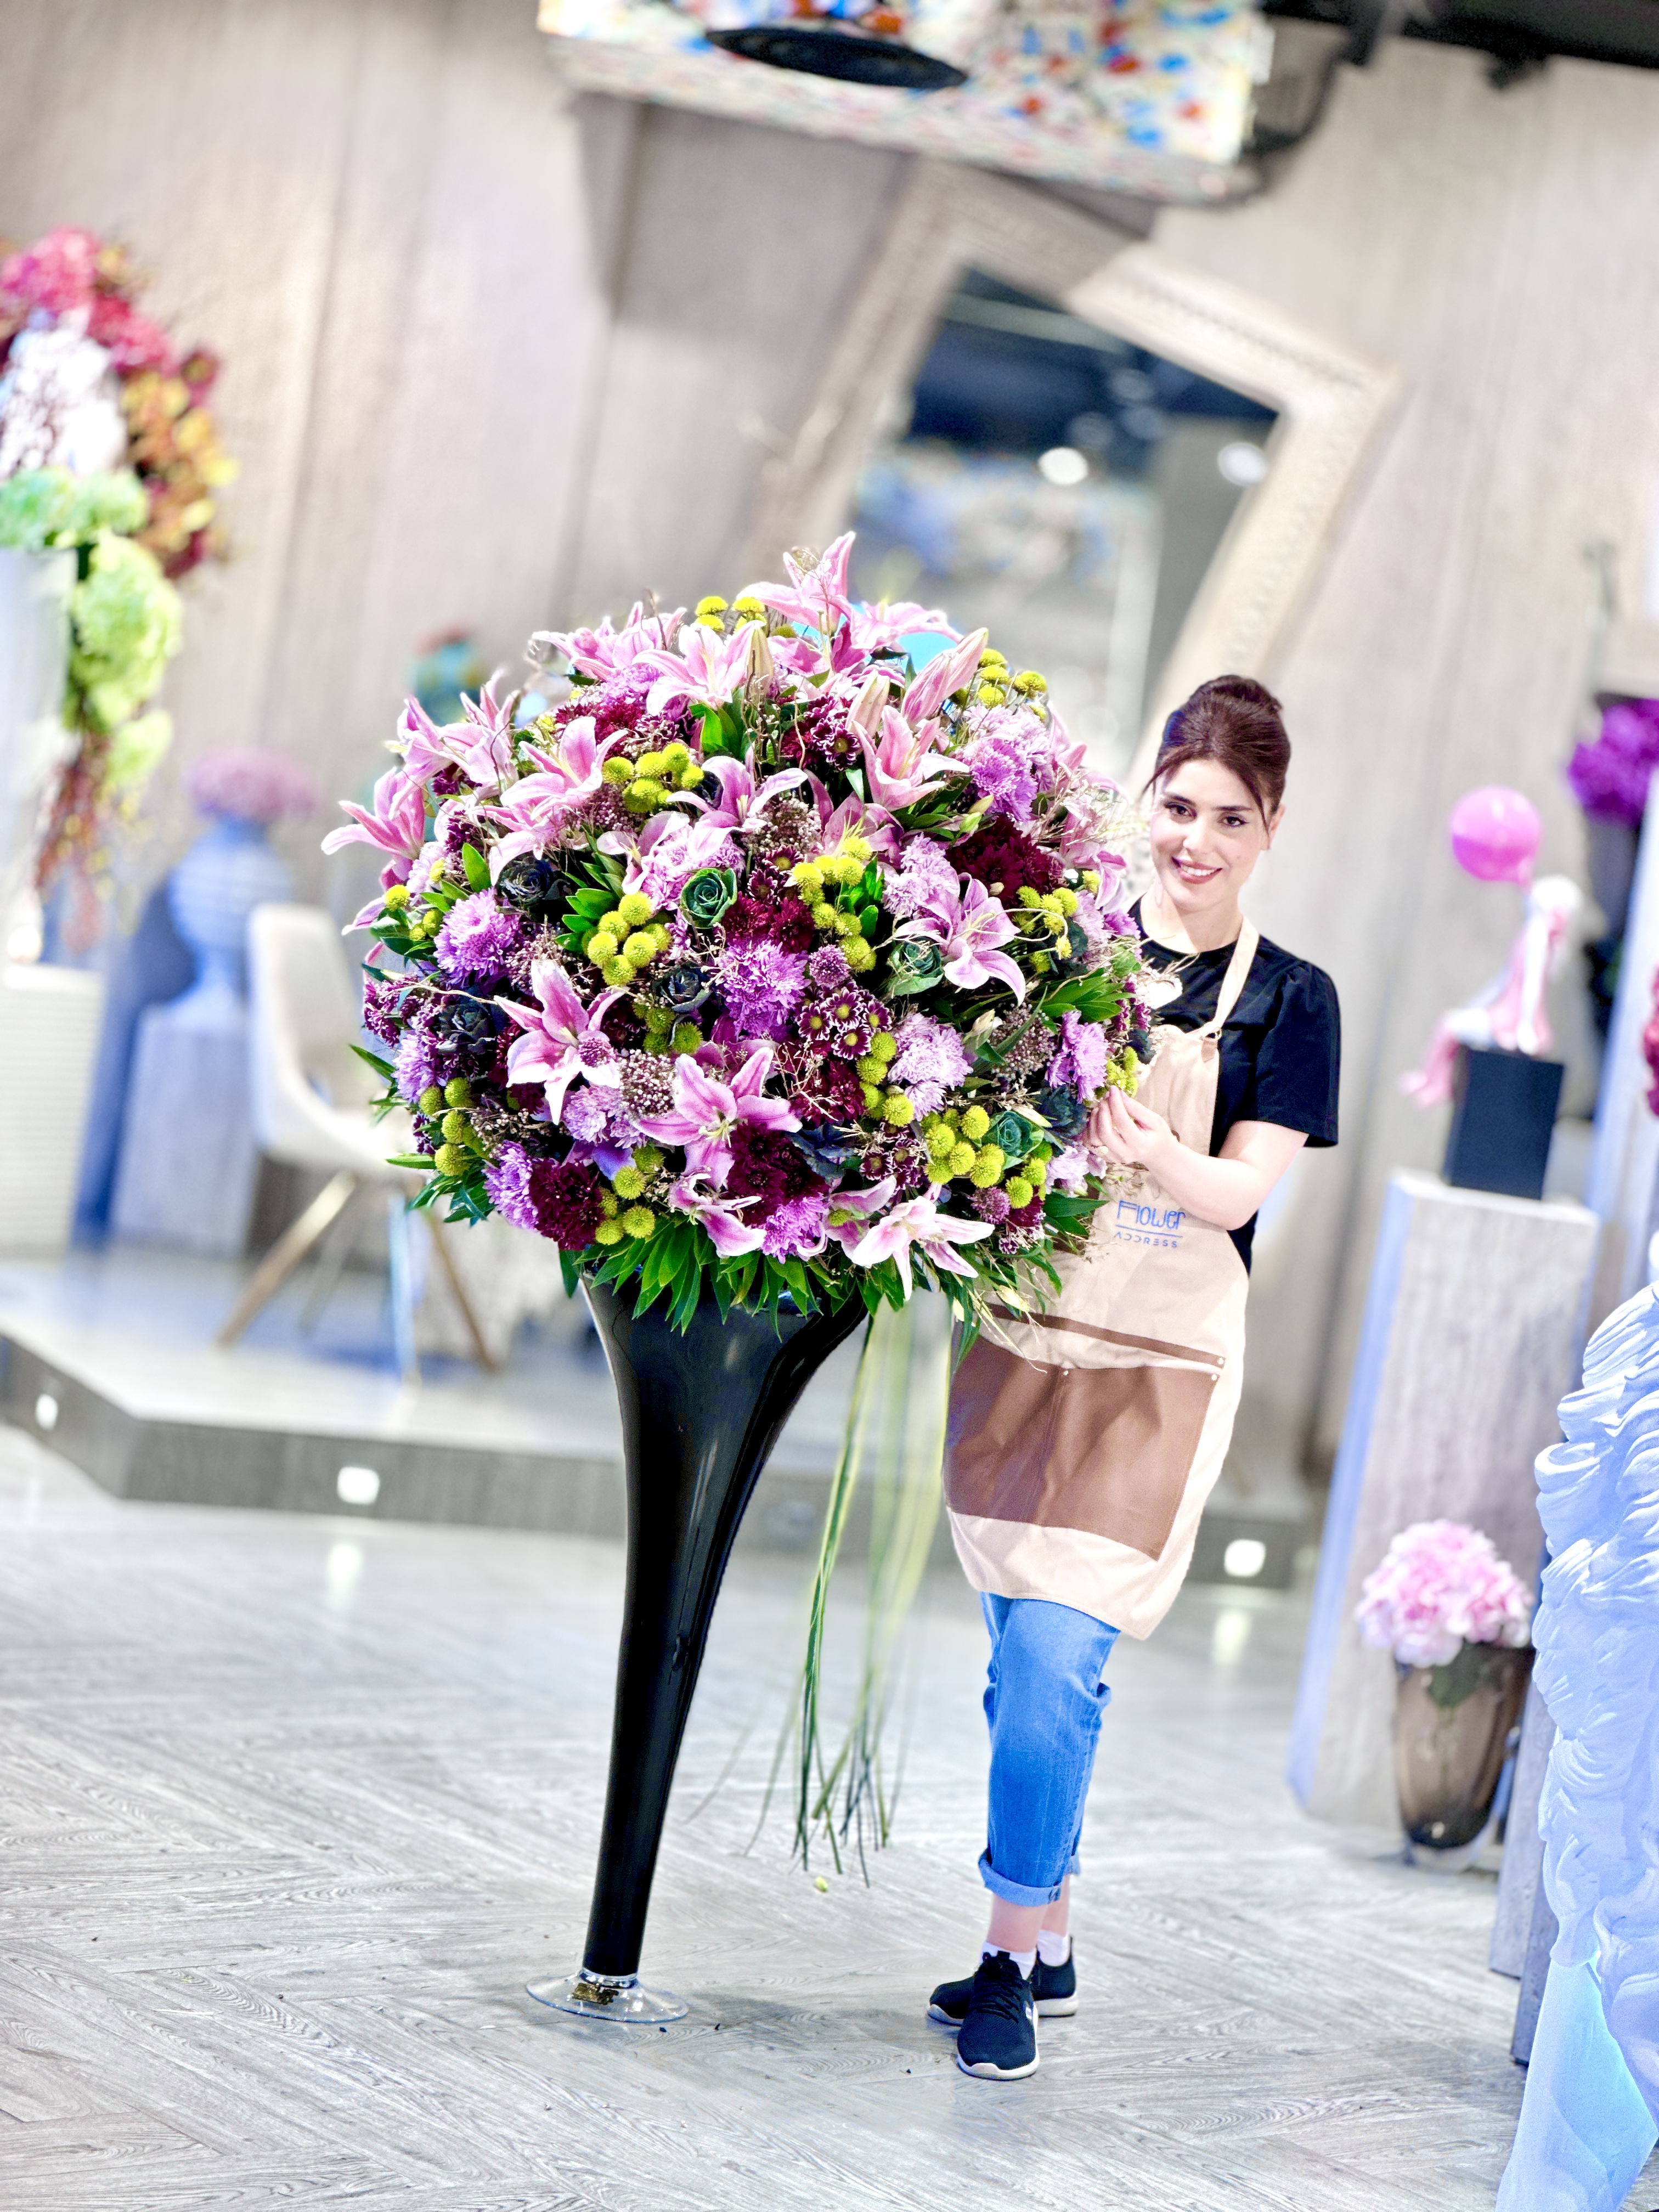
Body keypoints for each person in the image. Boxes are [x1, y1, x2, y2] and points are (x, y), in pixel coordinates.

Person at [929, 675, 1341, 2080]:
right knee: (1021, 1664)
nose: (1197, 840)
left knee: (1060, 1655)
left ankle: (1003, 1957)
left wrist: (1150, 1146)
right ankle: (1050, 1931)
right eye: (1180, 807)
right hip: (1027, 1331)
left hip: (1157, 1367)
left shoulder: (1292, 1000)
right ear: (1145, 803)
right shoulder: (1067, 957)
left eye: (1231, 818)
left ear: (1271, 827)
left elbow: (1237, 1194)